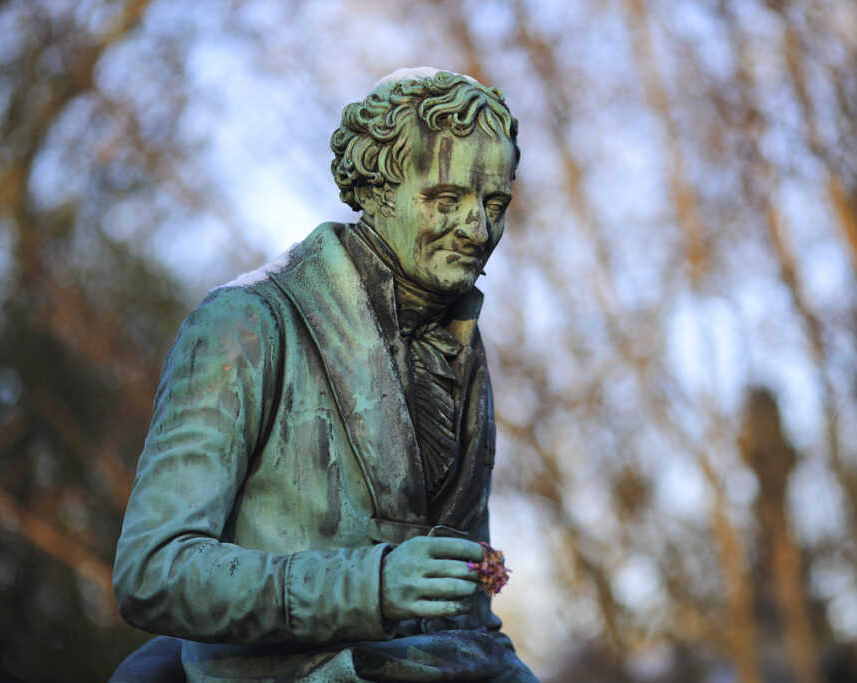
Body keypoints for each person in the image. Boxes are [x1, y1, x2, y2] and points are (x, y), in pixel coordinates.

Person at [111, 68, 537, 682]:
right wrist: (371, 585)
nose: (477, 230)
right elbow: (153, 570)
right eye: (446, 200)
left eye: (493, 204)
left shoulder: (462, 342)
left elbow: (467, 609)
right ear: (377, 190)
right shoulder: (247, 322)